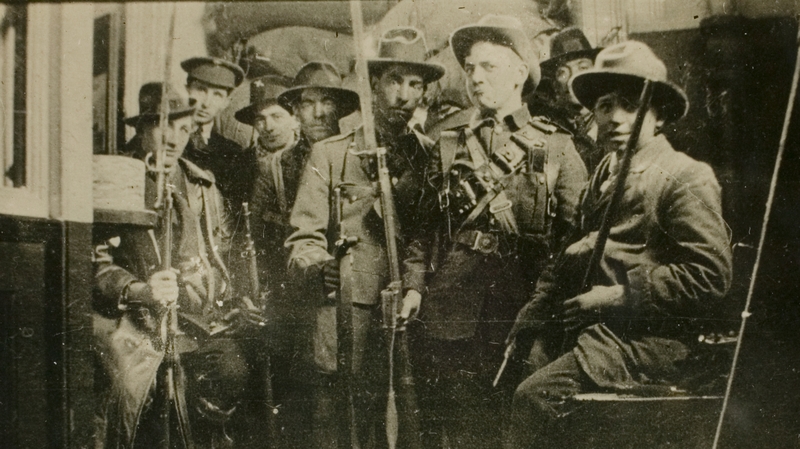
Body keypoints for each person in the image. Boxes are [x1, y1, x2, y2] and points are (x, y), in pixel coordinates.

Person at [504, 41, 733, 449]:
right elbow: (576, 251)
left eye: (629, 105)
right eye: (605, 105)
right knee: (518, 372)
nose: (614, 118)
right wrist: (533, 313)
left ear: (658, 116)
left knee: (533, 400)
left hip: (645, 341)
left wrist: (618, 296)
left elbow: (710, 278)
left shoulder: (684, 175)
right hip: (597, 333)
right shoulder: (606, 170)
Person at [401, 15, 588, 449]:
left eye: (488, 66)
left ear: (520, 72)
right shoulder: (447, 143)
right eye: (469, 68)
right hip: (452, 308)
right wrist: (413, 286)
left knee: (518, 429)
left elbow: (576, 239)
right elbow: (423, 231)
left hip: (522, 306)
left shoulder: (557, 145)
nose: (475, 78)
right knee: (463, 429)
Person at [285, 27, 445, 448]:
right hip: (344, 310)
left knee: (399, 424)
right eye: (394, 81)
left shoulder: (429, 155)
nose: (404, 95)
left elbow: (425, 234)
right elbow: (303, 236)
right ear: (375, 84)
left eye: (415, 85)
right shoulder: (331, 153)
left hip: (403, 312)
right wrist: (320, 266)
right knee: (337, 424)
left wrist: (414, 286)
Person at [93, 83, 259, 449]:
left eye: (184, 129)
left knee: (231, 370)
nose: (173, 140)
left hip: (196, 321)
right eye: (163, 126)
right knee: (135, 391)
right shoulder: (113, 177)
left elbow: (224, 252)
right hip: (134, 321)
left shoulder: (202, 184)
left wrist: (223, 291)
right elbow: (95, 262)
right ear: (141, 129)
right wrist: (140, 290)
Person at [528, 27, 604, 173]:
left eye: (583, 67)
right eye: (562, 72)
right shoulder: (546, 129)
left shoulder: (614, 122)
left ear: (596, 75)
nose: (573, 78)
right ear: (555, 85)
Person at [180, 56, 249, 211]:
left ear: (226, 102)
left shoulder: (233, 154)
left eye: (217, 95)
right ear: (187, 90)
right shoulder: (165, 138)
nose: (206, 103)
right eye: (200, 90)